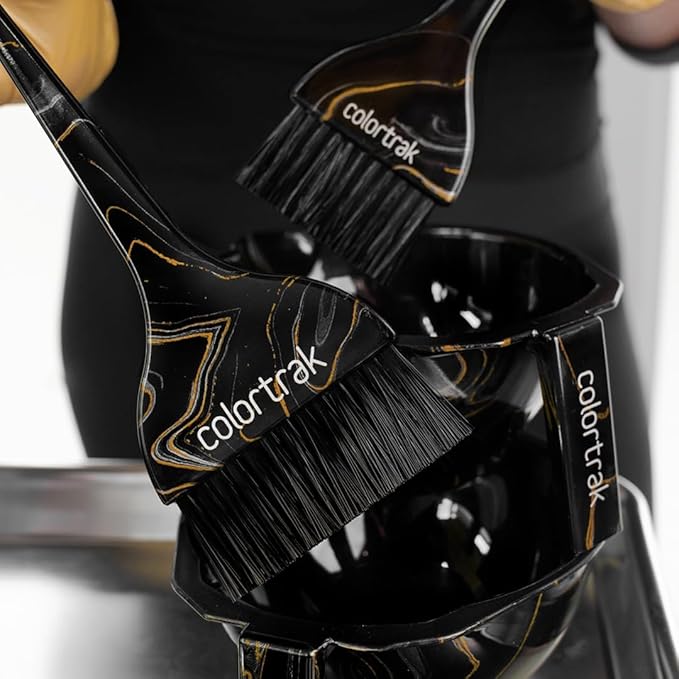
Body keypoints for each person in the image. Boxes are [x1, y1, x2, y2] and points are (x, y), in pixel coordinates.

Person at [1, 0, 677, 503]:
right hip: (175, 256)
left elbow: (657, 24)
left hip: (510, 280)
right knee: (194, 621)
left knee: (552, 608)